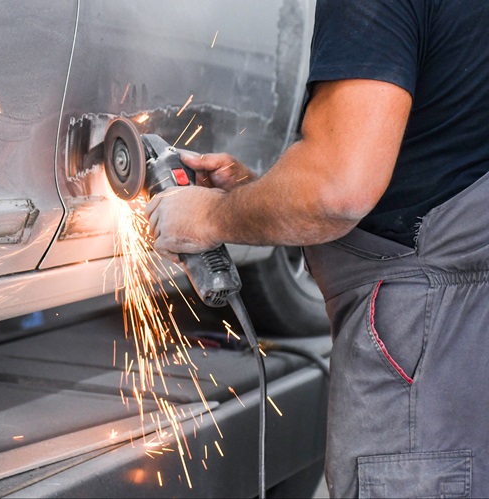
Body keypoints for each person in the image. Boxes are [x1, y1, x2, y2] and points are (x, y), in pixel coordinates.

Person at [146, 1, 489, 497]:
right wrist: (258, 197)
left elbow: (336, 191)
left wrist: (208, 216)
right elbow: (445, 148)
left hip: (429, 335)